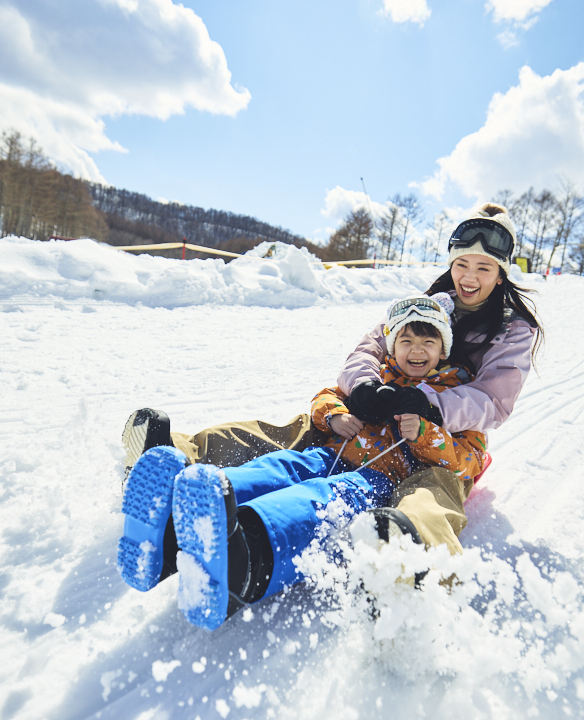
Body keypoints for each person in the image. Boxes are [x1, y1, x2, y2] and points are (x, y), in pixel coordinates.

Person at [122, 202, 540, 556]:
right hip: (382, 414)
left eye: (484, 268)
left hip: (444, 435)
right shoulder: (426, 306)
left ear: (501, 273)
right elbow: (369, 349)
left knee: (432, 491)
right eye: (462, 264)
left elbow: (494, 399)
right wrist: (363, 387)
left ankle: (411, 553)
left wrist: (431, 406)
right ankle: (174, 456)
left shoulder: (513, 328)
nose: (469, 277)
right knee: (301, 430)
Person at [118, 294, 487, 630]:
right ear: (392, 345)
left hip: (377, 478)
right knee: (279, 467)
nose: (416, 350)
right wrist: (336, 416)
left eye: (428, 342)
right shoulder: (378, 375)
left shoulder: (456, 395)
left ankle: (243, 557)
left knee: (321, 500)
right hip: (332, 452)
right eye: (406, 341)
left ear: (443, 349)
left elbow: (470, 460)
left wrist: (425, 433)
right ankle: (172, 529)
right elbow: (328, 395)